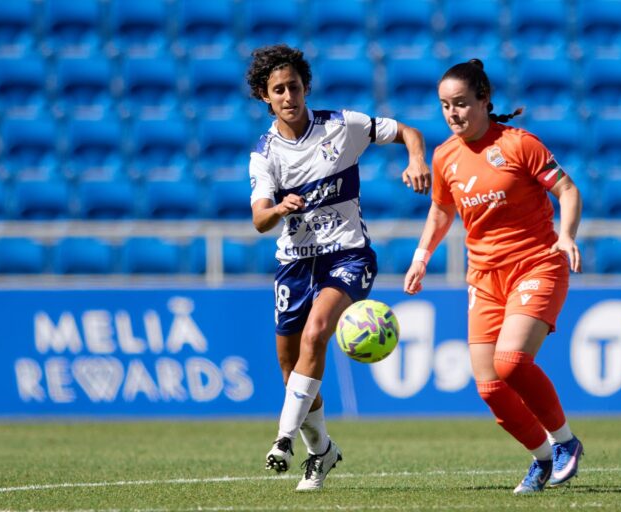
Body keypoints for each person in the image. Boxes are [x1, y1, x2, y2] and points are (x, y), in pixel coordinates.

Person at [247, 44, 431, 491]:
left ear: (306, 87)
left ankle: (283, 439)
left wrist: (416, 158)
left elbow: (407, 131)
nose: (289, 96)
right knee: (291, 369)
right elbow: (258, 220)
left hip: (348, 256)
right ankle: (322, 451)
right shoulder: (264, 153)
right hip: (294, 265)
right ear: (264, 97)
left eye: (294, 86)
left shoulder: (342, 126)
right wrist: (279, 209)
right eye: (278, 90)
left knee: (316, 333)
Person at [403, 59, 584, 495]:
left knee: (512, 363)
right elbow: (442, 210)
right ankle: (542, 458)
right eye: (445, 106)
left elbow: (568, 189)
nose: (453, 113)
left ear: (484, 100)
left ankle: (565, 443)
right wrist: (421, 256)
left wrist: (567, 236)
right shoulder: (445, 155)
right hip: (484, 277)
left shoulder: (520, 145)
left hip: (537, 263)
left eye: (462, 103)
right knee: (489, 387)